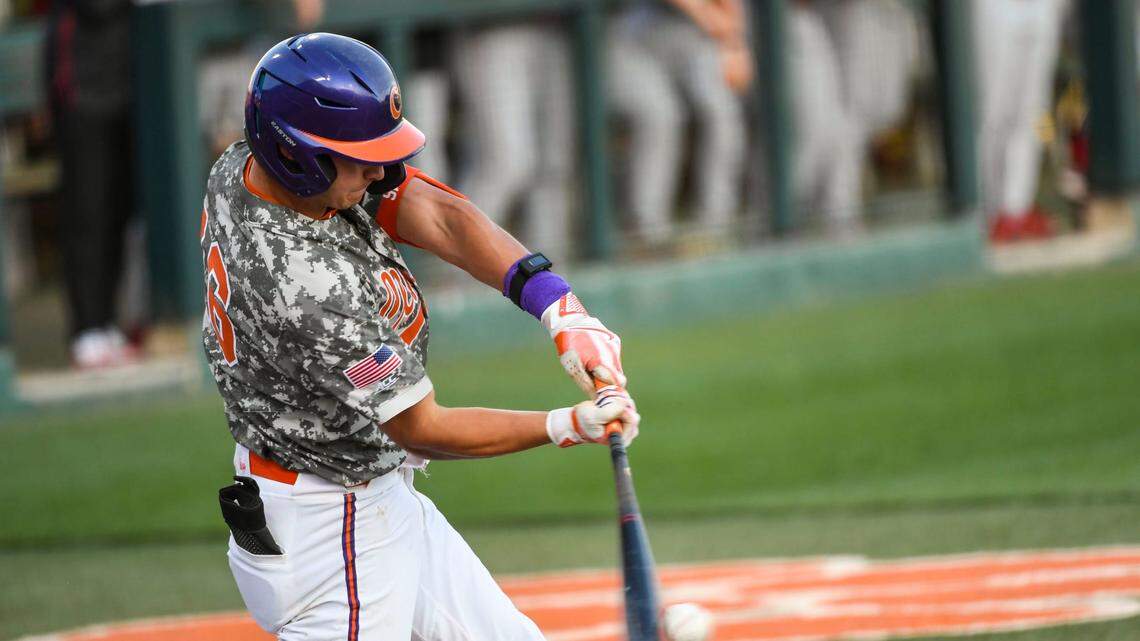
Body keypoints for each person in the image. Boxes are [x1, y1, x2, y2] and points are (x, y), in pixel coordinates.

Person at [202, 33, 639, 640]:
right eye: (358, 157)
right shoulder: (304, 287)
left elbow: (436, 213)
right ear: (296, 154)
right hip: (333, 537)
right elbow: (422, 428)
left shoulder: (245, 166)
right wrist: (567, 424)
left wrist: (561, 310)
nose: (380, 170)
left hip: (362, 499)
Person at [46, 0, 140, 367]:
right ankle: (85, 329)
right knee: (87, 209)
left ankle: (105, 322)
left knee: (117, 208)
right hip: (82, 90)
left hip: (122, 87)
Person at [973, 0, 1066, 243]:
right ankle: (989, 212)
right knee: (991, 109)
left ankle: (1016, 209)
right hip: (992, 7)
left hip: (1042, 7)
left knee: (1034, 112)